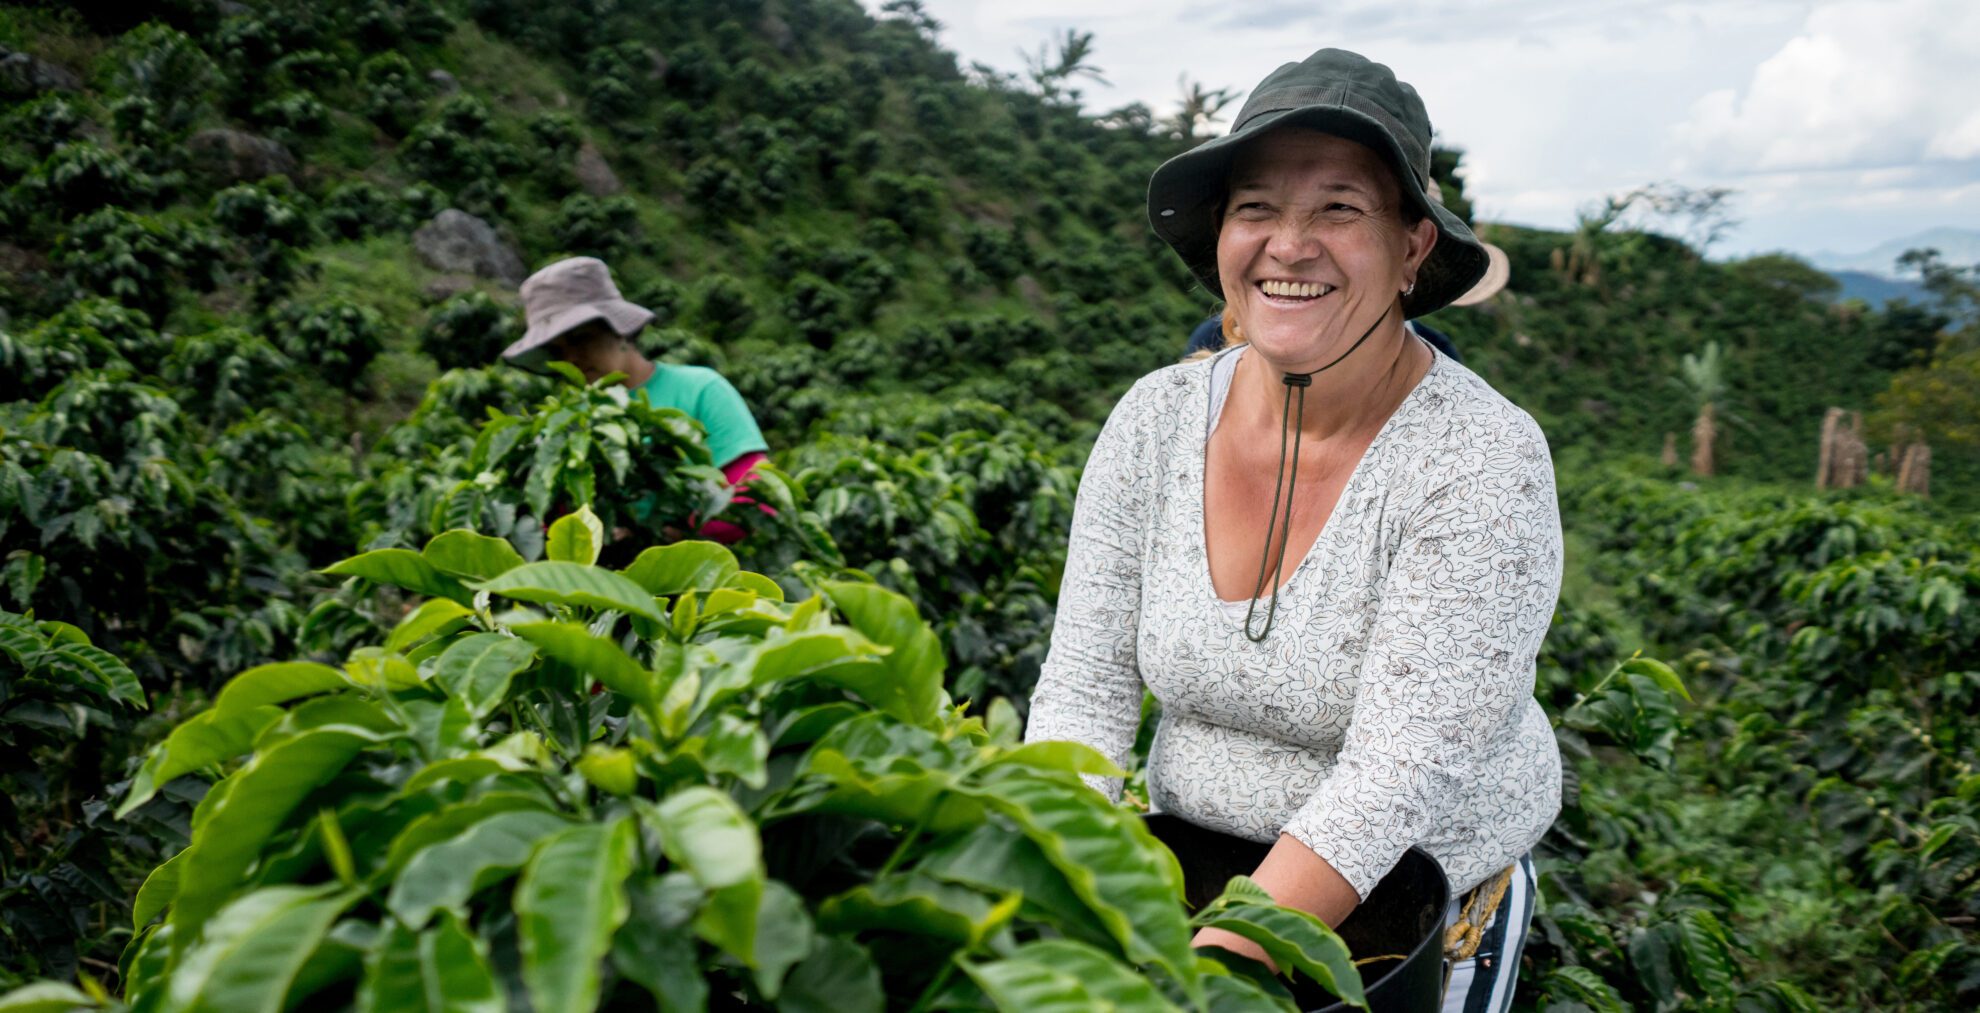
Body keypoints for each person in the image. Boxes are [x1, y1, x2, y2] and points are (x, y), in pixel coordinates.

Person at [1024, 49, 1560, 1011]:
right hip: (1185, 878)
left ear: (1412, 250)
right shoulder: (1154, 419)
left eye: (1340, 209)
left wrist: (1202, 971)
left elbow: (1395, 780)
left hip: (1410, 922)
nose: (1289, 244)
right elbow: (1084, 685)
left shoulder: (1483, 461)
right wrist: (1068, 889)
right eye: (1256, 206)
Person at [500, 256, 769, 541]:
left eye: (581, 339)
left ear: (620, 330)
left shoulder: (699, 389)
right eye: (556, 351)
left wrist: (670, 534)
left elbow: (757, 494)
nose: (571, 358)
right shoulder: (564, 424)